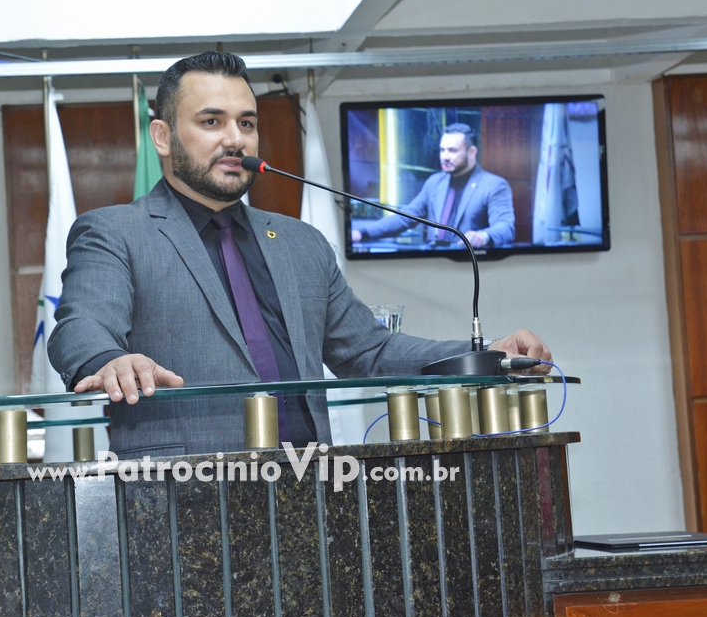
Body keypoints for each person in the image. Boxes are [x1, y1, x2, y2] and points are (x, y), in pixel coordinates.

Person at [48, 52, 550, 458]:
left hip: (312, 487)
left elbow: (369, 351)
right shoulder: (115, 232)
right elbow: (80, 326)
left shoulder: (300, 243)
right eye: (211, 121)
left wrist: (486, 357)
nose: (234, 139)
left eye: (246, 122)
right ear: (163, 136)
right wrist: (108, 358)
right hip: (180, 494)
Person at [351, 123, 515, 248]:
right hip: (434, 263)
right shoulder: (435, 182)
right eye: (442, 150)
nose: (445, 156)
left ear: (472, 152)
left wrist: (484, 236)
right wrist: (362, 233)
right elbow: (406, 217)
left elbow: (506, 227)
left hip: (470, 266)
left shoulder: (494, 185)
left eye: (452, 150)